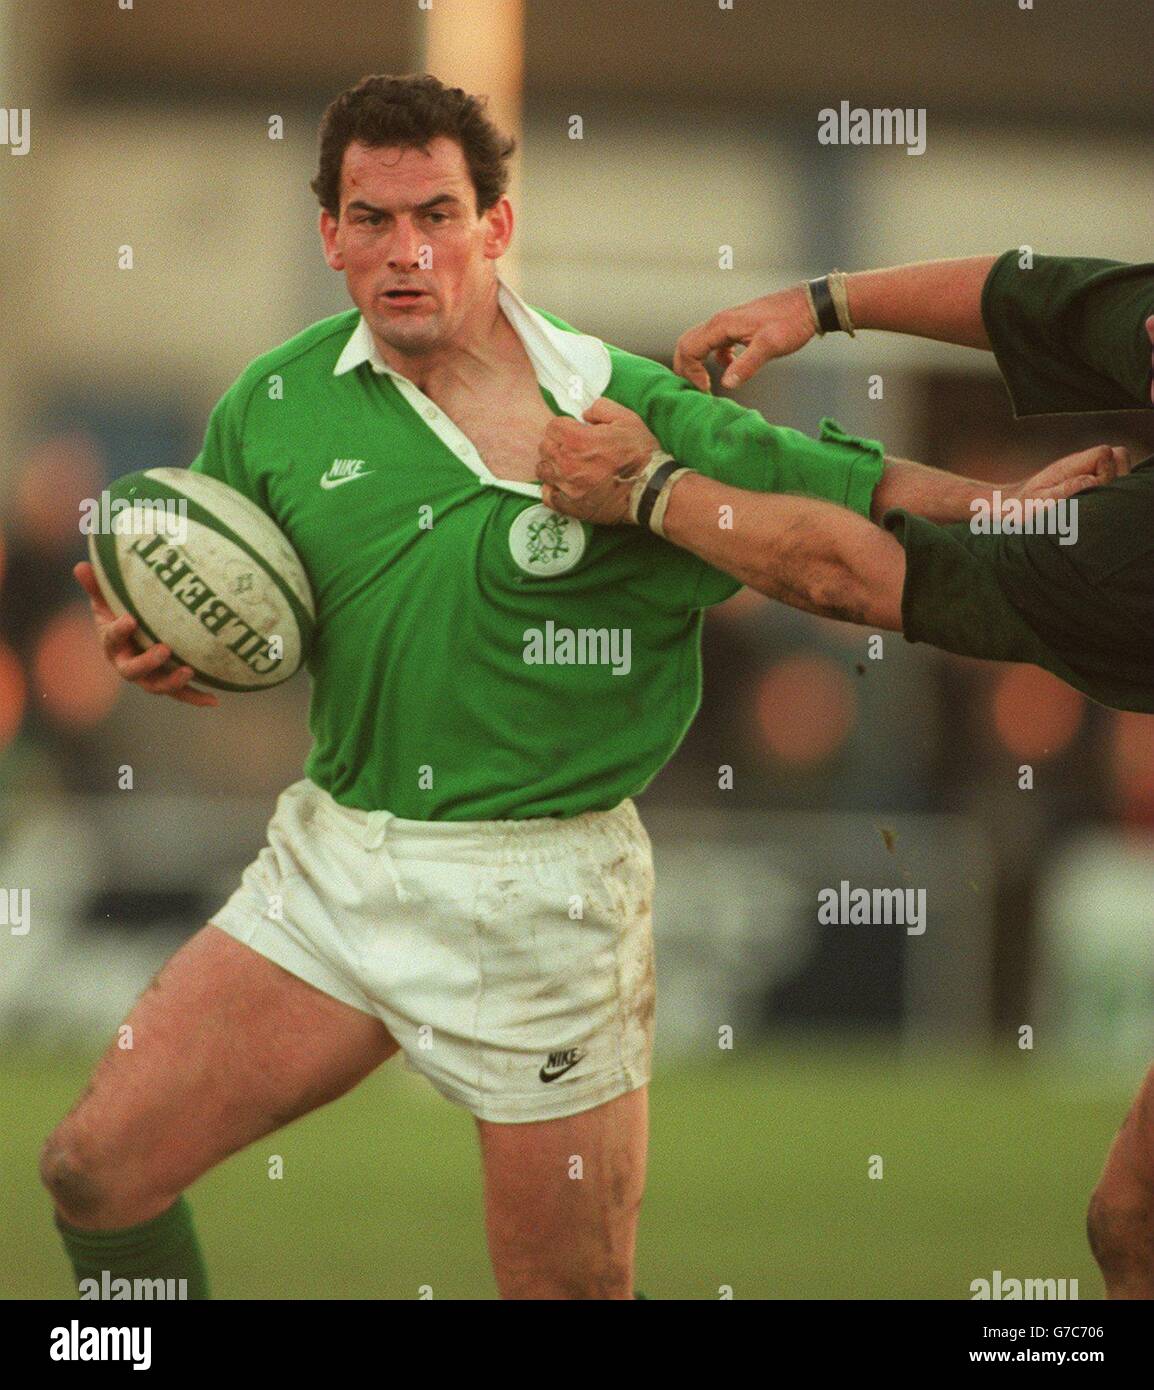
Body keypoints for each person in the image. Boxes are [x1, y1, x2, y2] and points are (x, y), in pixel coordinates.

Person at [45, 73, 1003, 1303]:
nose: (406, 252)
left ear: (495, 228)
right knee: (92, 1170)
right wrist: (156, 638)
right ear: (328, 235)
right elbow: (231, 591)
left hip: (544, 899)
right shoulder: (272, 403)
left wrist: (1023, 510)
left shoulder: (622, 407)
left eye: (436, 215)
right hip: (336, 862)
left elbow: (852, 492)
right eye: (372, 219)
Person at [535, 252, 1154, 1295]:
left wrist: (650, 490)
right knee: (1131, 1220)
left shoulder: (1125, 556)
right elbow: (1018, 293)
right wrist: (816, 304)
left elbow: (850, 573)